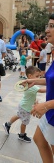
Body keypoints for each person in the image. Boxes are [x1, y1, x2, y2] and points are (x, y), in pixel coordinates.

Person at [25, 14, 54, 163]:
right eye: (48, 26)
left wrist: (45, 106)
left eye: (52, 26)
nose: (47, 30)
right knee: (39, 139)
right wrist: (34, 81)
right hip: (51, 112)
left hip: (51, 110)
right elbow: (51, 79)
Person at [3, 66, 45, 143]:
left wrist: (35, 100)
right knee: (24, 122)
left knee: (19, 115)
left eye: (39, 76)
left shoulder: (29, 85)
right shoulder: (32, 87)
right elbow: (42, 90)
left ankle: (7, 124)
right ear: (30, 76)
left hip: (23, 105)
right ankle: (22, 135)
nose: (38, 78)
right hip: (26, 108)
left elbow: (32, 95)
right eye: (37, 76)